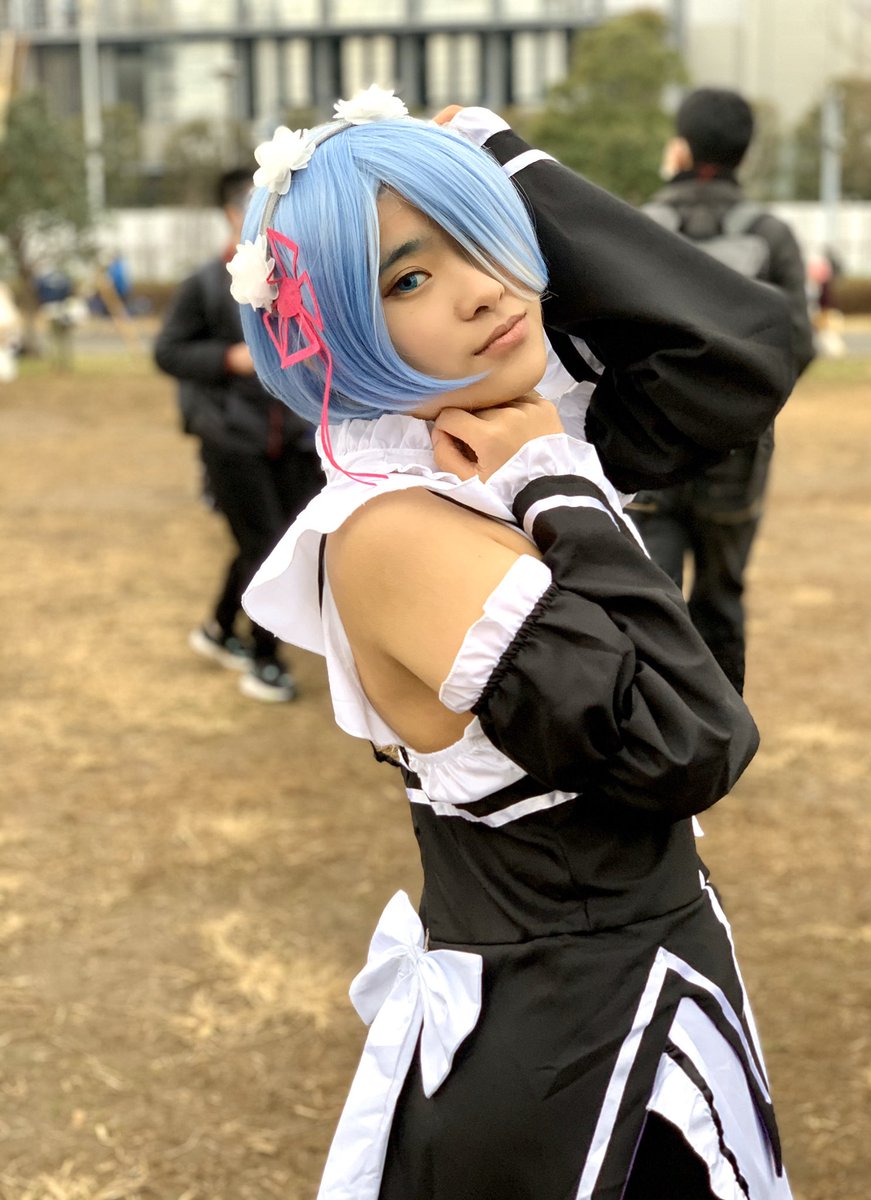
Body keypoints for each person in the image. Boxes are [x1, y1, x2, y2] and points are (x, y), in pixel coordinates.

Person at [235, 88, 797, 1198]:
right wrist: (558, 482)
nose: (484, 287)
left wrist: (510, 164)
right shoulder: (401, 523)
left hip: (631, 1001)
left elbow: (744, 347)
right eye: (407, 280)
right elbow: (691, 741)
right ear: (339, 327)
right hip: (574, 1059)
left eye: (482, 234)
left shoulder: (486, 445)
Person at [630, 87, 816, 694]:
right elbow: (798, 345)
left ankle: (654, 730)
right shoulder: (770, 235)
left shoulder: (639, 227)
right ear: (745, 152)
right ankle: (721, 729)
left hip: (648, 449)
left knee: (650, 602)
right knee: (721, 599)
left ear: (681, 146)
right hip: (737, 451)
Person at [154, 167, 323, 703]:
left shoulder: (296, 276)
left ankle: (220, 628)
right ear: (233, 214)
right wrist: (230, 358)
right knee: (269, 547)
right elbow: (167, 352)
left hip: (294, 437)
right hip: (230, 438)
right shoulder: (204, 284)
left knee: (276, 540)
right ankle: (264, 658)